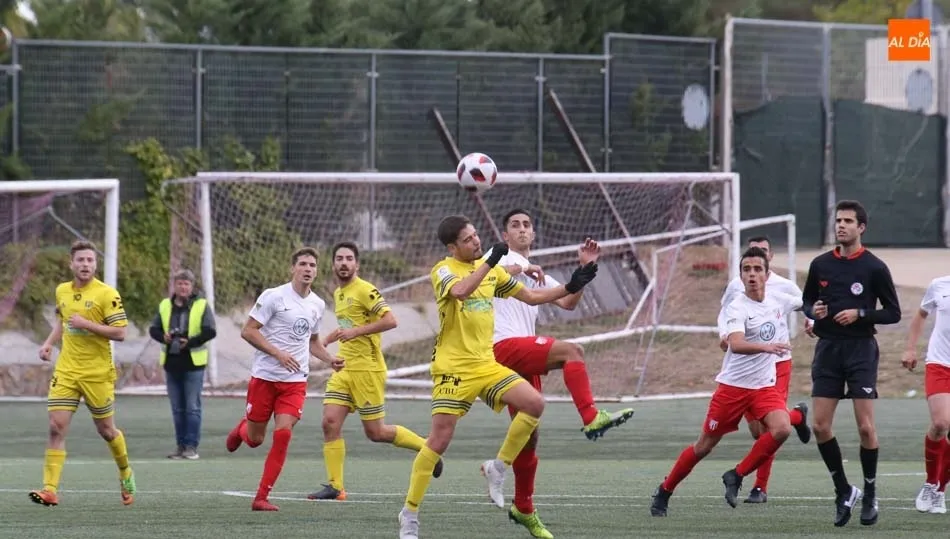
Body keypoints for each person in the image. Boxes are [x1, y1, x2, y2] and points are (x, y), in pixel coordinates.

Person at [397, 215, 598, 539]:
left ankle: (498, 467)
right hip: (453, 368)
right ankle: (409, 513)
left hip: (485, 363)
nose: (476, 242)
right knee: (439, 441)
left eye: (477, 236)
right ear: (452, 247)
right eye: (468, 240)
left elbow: (531, 297)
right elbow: (461, 291)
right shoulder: (443, 270)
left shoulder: (493, 271)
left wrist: (573, 284)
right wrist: (490, 260)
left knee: (534, 403)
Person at [486, 209, 634, 538]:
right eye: (515, 225)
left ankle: (523, 508)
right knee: (573, 351)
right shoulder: (496, 256)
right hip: (501, 345)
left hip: (519, 355)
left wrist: (584, 271)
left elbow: (568, 303)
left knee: (529, 436)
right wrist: (526, 266)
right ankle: (591, 416)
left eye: (527, 225)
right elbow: (497, 273)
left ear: (534, 234)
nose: (522, 229)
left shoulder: (535, 272)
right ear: (505, 234)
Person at [650, 246, 810, 517]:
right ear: (740, 274)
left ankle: (736, 475)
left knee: (781, 428)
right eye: (746, 269)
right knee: (704, 447)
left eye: (757, 269)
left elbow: (808, 303)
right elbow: (735, 343)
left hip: (763, 387)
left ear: (767, 274)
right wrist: (766, 347)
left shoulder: (778, 299)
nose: (752, 275)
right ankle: (665, 490)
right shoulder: (737, 306)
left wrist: (818, 314)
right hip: (733, 389)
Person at [308, 242, 441, 501]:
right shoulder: (338, 293)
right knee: (329, 422)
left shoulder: (365, 290)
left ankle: (428, 448)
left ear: (357, 264)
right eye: (339, 259)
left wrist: (355, 332)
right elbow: (347, 325)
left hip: (367, 370)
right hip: (344, 368)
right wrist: (327, 339)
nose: (344, 263)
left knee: (376, 433)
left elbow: (391, 320)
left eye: (349, 259)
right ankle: (336, 487)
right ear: (333, 264)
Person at [801, 199, 901, 527]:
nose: (841, 226)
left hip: (860, 349)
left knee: (865, 427)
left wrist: (860, 314)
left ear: (861, 228)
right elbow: (807, 300)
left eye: (848, 221)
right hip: (828, 349)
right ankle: (843, 489)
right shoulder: (820, 265)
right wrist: (811, 312)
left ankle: (870, 492)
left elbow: (893, 312)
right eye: (838, 221)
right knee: (819, 426)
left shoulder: (874, 267)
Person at [224, 247, 344, 512]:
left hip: (294, 382)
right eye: (303, 264)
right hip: (265, 378)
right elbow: (248, 331)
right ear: (293, 268)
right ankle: (241, 430)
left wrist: (330, 359)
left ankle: (261, 497)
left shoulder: (317, 304)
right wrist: (277, 353)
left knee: (283, 434)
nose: (308, 269)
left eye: (312, 265)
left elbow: (312, 343)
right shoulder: (274, 297)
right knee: (255, 439)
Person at [30, 240, 135, 507]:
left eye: (90, 260)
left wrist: (87, 324)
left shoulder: (106, 294)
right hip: (66, 370)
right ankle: (50, 489)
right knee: (55, 427)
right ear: (71, 263)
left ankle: (125, 472)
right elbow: (62, 322)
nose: (85, 264)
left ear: (95, 264)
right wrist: (48, 343)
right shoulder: (62, 291)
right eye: (80, 260)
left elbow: (121, 333)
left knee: (107, 431)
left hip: (97, 373)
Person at [718, 235, 814, 503]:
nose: (754, 263)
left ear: (769, 258)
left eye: (762, 252)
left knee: (771, 429)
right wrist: (724, 334)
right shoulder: (737, 286)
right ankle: (797, 416)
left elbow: (806, 304)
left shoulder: (784, 286)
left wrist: (811, 322)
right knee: (757, 431)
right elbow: (724, 312)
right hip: (746, 364)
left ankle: (760, 487)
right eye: (751, 255)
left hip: (777, 361)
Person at [148, 268, 217, 460]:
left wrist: (191, 341)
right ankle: (180, 446)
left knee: (192, 406)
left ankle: (191, 447)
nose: (183, 287)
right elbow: (153, 329)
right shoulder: (164, 305)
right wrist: (164, 337)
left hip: (193, 363)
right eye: (180, 283)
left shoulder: (202, 305)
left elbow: (210, 331)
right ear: (174, 285)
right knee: (177, 408)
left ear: (191, 286)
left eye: (186, 284)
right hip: (172, 362)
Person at [902, 275, 950, 514]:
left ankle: (940, 491)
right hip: (940, 363)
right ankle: (931, 483)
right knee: (941, 423)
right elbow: (922, 314)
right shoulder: (940, 285)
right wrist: (910, 348)